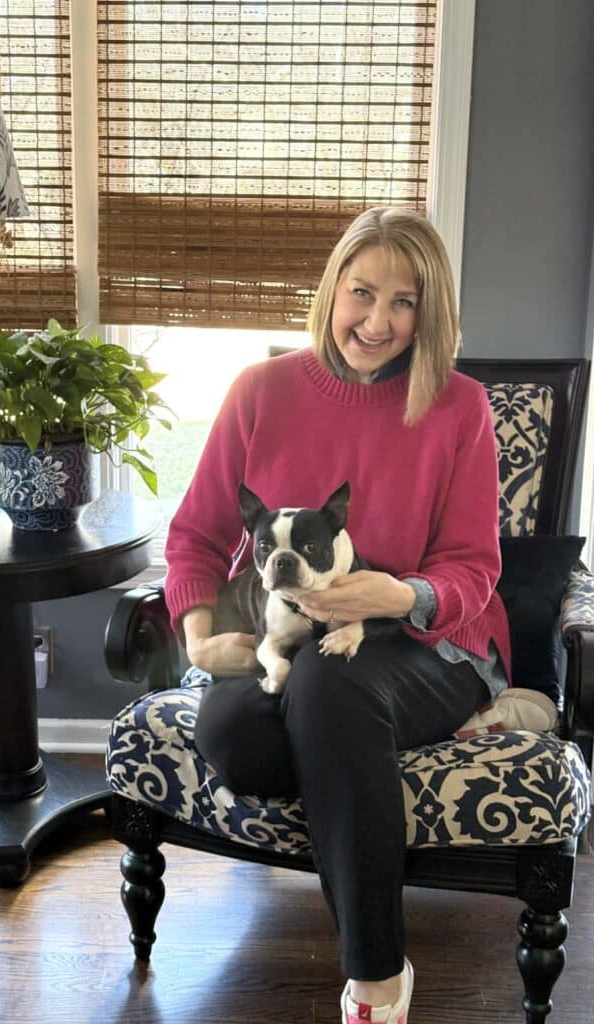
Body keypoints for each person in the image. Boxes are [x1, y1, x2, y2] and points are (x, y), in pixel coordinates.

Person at [164, 206, 511, 1024]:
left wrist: (399, 594)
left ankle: (376, 982)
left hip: (430, 640)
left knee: (327, 687)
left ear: (431, 315)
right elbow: (196, 537)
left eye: (405, 302)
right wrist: (201, 635)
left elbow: (474, 567)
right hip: (288, 638)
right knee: (234, 736)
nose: (378, 321)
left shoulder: (460, 409)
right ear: (332, 290)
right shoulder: (260, 392)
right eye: (363, 293)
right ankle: (355, 751)